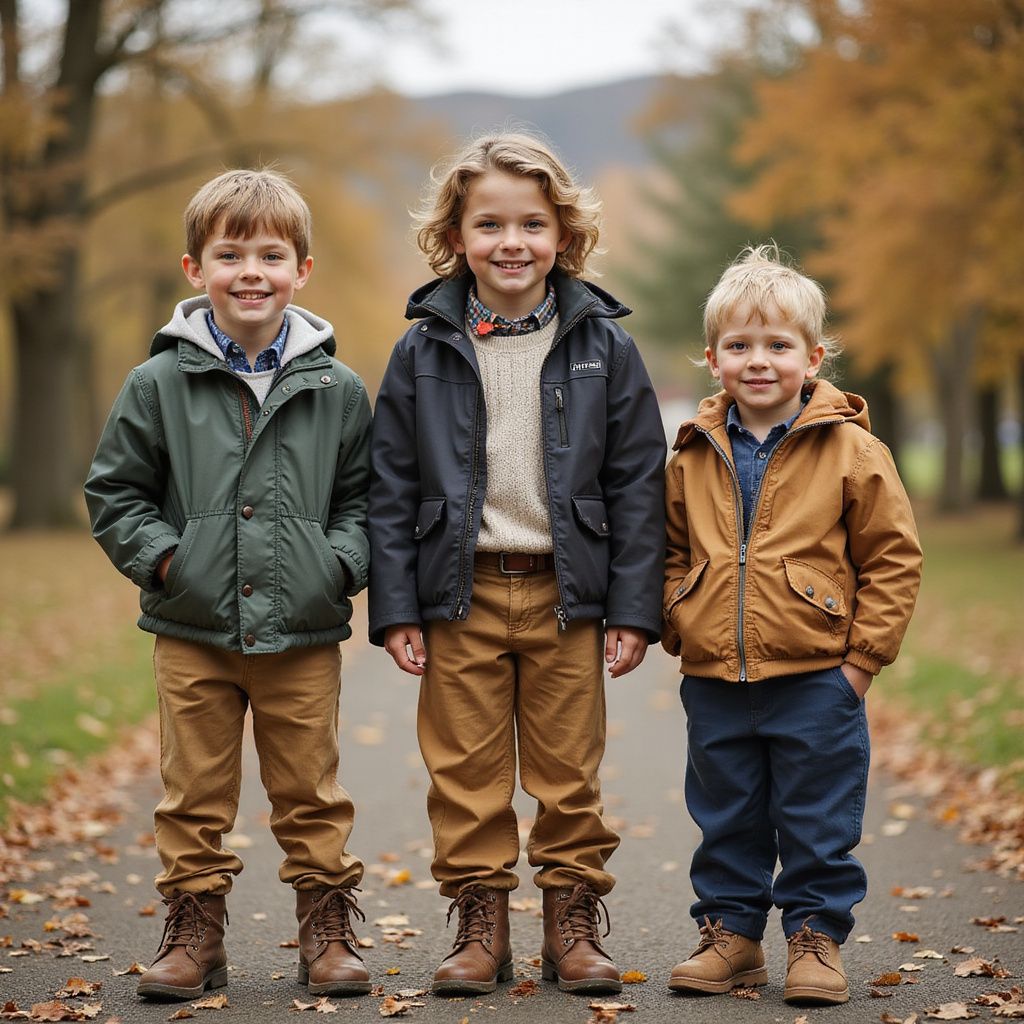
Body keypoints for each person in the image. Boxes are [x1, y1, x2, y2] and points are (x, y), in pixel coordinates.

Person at [368, 133, 666, 996]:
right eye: (488, 223)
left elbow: (638, 482)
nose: (511, 242)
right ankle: (479, 923)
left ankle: (570, 924)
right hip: (459, 594)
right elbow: (390, 485)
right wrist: (394, 609)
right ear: (455, 236)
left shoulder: (603, 346)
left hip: (567, 594)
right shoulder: (422, 349)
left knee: (568, 774)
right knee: (465, 774)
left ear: (563, 236)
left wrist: (635, 609)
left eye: (532, 224)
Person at [85, 168, 373, 1002]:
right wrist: (169, 561)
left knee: (310, 791)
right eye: (230, 253)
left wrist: (340, 565)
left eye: (272, 254)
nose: (252, 270)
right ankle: (194, 931)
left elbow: (364, 499)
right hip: (193, 629)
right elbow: (115, 491)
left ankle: (325, 930)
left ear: (301, 271)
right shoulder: (159, 383)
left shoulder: (338, 389)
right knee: (194, 792)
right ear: (195, 269)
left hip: (302, 630)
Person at [662, 244, 922, 1005]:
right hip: (716, 678)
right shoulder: (691, 455)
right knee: (727, 814)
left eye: (778, 345)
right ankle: (733, 936)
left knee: (815, 816)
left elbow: (893, 558)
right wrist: (682, 621)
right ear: (713, 358)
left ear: (813, 355)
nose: (759, 361)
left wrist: (860, 664)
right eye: (740, 346)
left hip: (817, 676)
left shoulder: (852, 450)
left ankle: (815, 935)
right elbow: (672, 550)